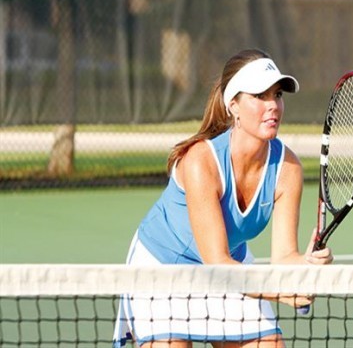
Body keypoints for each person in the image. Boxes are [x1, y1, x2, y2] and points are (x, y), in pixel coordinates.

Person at [113, 48, 333, 347]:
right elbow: (215, 260)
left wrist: (305, 266)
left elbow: (283, 257)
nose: (273, 106)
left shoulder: (287, 168)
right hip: (162, 271)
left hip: (231, 268)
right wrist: (281, 292)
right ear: (234, 105)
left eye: (277, 95)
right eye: (259, 96)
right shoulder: (201, 162)